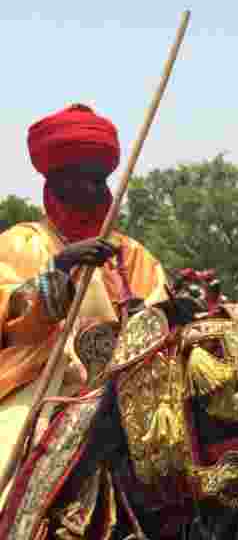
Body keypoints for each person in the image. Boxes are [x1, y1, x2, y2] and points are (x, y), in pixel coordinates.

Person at [0, 104, 168, 502]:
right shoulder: (21, 243)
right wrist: (58, 271)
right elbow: (11, 318)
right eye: (78, 181)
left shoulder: (132, 253)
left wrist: (146, 315)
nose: (93, 192)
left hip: (126, 388)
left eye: (99, 181)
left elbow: (161, 315)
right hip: (42, 387)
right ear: (53, 185)